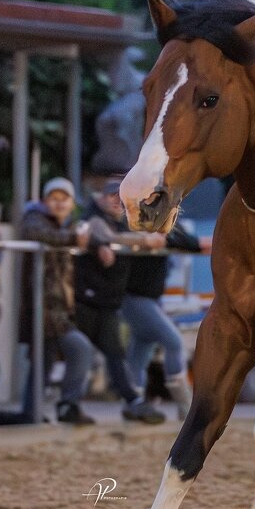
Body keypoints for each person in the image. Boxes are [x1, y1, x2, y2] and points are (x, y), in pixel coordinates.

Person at [74, 178, 166, 424]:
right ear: (101, 198)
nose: (116, 201)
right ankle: (63, 404)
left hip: (107, 301)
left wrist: (147, 238)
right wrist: (142, 241)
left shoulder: (123, 222)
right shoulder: (95, 219)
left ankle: (132, 400)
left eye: (120, 197)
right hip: (86, 300)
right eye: (111, 196)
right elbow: (106, 236)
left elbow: (118, 238)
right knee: (75, 353)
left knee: (115, 355)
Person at [18, 177, 98, 424]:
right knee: (79, 349)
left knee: (43, 361)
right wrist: (75, 239)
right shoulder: (34, 218)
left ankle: (31, 413)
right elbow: (39, 234)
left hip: (57, 306)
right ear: (44, 201)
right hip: (42, 306)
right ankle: (65, 406)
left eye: (65, 199)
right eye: (55, 198)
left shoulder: (70, 225)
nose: (60, 203)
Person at [123, 221, 211, 419]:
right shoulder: (136, 222)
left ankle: (133, 402)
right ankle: (185, 405)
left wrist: (180, 241)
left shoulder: (166, 224)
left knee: (140, 349)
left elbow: (181, 239)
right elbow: (178, 240)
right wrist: (185, 242)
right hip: (134, 297)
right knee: (174, 342)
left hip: (149, 298)